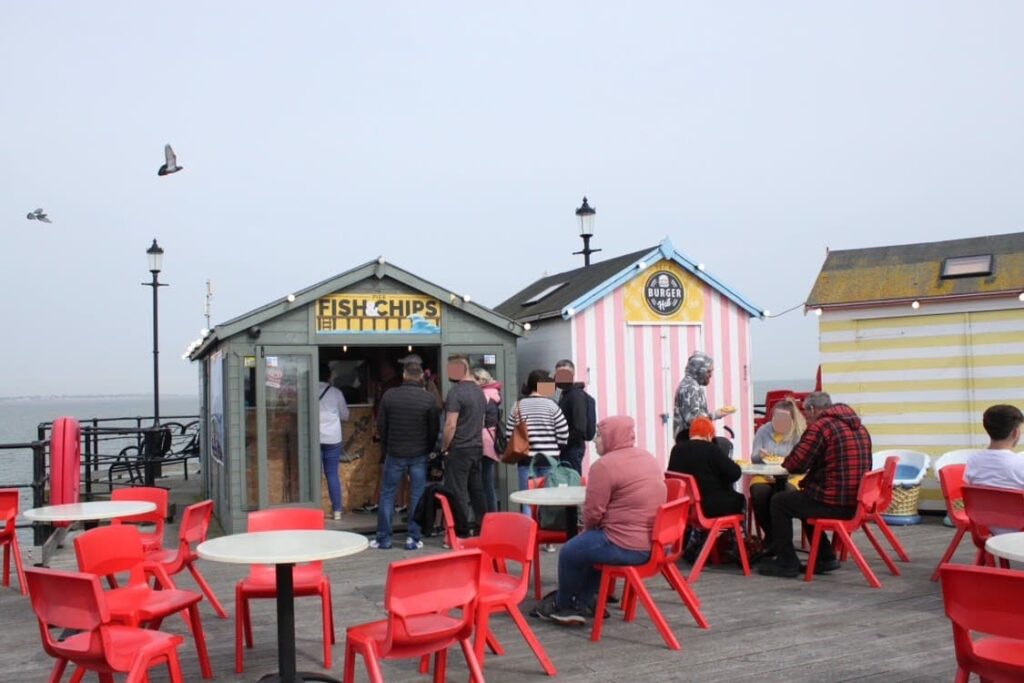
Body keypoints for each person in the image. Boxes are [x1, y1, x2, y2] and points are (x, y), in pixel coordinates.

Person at [536, 415, 665, 625]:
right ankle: (584, 601)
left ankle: (565, 605)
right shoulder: (647, 457)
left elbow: (593, 512)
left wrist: (587, 532)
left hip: (626, 545)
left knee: (570, 551)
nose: (594, 440)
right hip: (654, 544)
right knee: (590, 548)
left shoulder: (604, 466)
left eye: (599, 435)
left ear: (612, 437)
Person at [758, 392, 872, 578]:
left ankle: (787, 562)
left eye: (805, 411)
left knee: (780, 501)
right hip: (856, 502)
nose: (804, 416)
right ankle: (825, 557)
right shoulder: (859, 427)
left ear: (812, 409)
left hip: (834, 503)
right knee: (803, 499)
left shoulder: (822, 427)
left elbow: (795, 464)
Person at [371, 362, 440, 550]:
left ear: (404, 375)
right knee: (416, 495)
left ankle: (384, 538)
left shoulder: (389, 395)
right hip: (419, 453)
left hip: (394, 452)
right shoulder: (428, 399)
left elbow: (382, 425)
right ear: (420, 377)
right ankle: (413, 538)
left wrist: (387, 446)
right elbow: (434, 429)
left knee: (387, 495)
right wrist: (428, 448)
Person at [506, 370, 569, 520]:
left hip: (526, 459)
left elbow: (509, 433)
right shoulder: (552, 406)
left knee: (527, 499)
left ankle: (529, 535)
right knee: (547, 500)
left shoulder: (518, 406)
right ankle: (547, 540)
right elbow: (564, 433)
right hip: (549, 458)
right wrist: (556, 446)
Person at [748, 399, 807, 549]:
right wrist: (759, 456)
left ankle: (781, 538)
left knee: (783, 494)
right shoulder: (764, 431)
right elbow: (754, 458)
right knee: (759, 492)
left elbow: (802, 462)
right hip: (765, 474)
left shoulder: (799, 434)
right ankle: (771, 534)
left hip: (792, 476)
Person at [442, 354, 488, 536]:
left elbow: (450, 424)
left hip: (460, 447)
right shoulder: (479, 391)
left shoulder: (456, 392)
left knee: (458, 490)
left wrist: (444, 447)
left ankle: (461, 530)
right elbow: (482, 421)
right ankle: (482, 526)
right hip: (476, 446)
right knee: (477, 489)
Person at [964, 404, 1024, 534]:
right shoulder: (1020, 463)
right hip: (1019, 534)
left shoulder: (973, 461)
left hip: (989, 530)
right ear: (1015, 432)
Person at [667, 417, 744, 517]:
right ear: (709, 435)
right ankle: (732, 532)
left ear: (691, 434)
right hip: (709, 507)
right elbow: (735, 474)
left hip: (684, 506)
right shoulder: (711, 449)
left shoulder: (676, 449)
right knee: (740, 499)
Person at [672, 351, 735, 441]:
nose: (710, 375)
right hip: (690, 442)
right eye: (708, 371)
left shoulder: (691, 385)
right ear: (699, 371)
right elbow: (694, 420)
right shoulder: (690, 388)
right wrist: (715, 414)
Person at [318, 365, 350, 521]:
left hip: (313, 438)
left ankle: (314, 510)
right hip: (332, 438)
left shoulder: (307, 390)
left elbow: (294, 409)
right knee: (332, 474)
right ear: (328, 376)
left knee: (314, 475)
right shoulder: (336, 393)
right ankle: (337, 510)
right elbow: (345, 415)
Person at [554, 359, 596, 475]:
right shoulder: (565, 395)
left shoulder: (576, 396)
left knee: (572, 482)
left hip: (572, 448)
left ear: (572, 375)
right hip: (569, 447)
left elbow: (579, 427)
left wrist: (562, 443)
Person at [474, 367, 503, 513]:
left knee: (479, 483)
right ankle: (493, 514)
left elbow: (478, 420)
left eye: (475, 379)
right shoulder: (495, 394)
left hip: (482, 440)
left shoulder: (482, 395)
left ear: (482, 380)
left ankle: (486, 515)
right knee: (488, 482)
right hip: (491, 440)